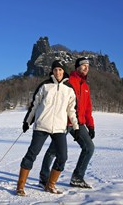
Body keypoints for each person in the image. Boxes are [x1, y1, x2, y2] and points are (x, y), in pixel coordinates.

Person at [16, 60, 79, 196]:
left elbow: (72, 110)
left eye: (60, 70)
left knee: (62, 156)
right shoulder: (45, 86)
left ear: (64, 71)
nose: (58, 72)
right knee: (31, 155)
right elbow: (34, 105)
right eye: (55, 70)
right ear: (52, 71)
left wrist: (76, 127)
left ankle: (50, 185)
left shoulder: (69, 88)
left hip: (59, 128)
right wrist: (27, 121)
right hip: (41, 125)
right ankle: (20, 186)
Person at [39, 57, 95, 189]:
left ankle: (77, 177)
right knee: (54, 151)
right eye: (83, 65)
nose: (86, 67)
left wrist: (90, 126)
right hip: (63, 121)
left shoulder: (86, 86)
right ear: (77, 67)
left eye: (88, 65)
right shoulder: (68, 81)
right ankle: (44, 178)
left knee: (89, 148)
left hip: (78, 123)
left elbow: (88, 108)